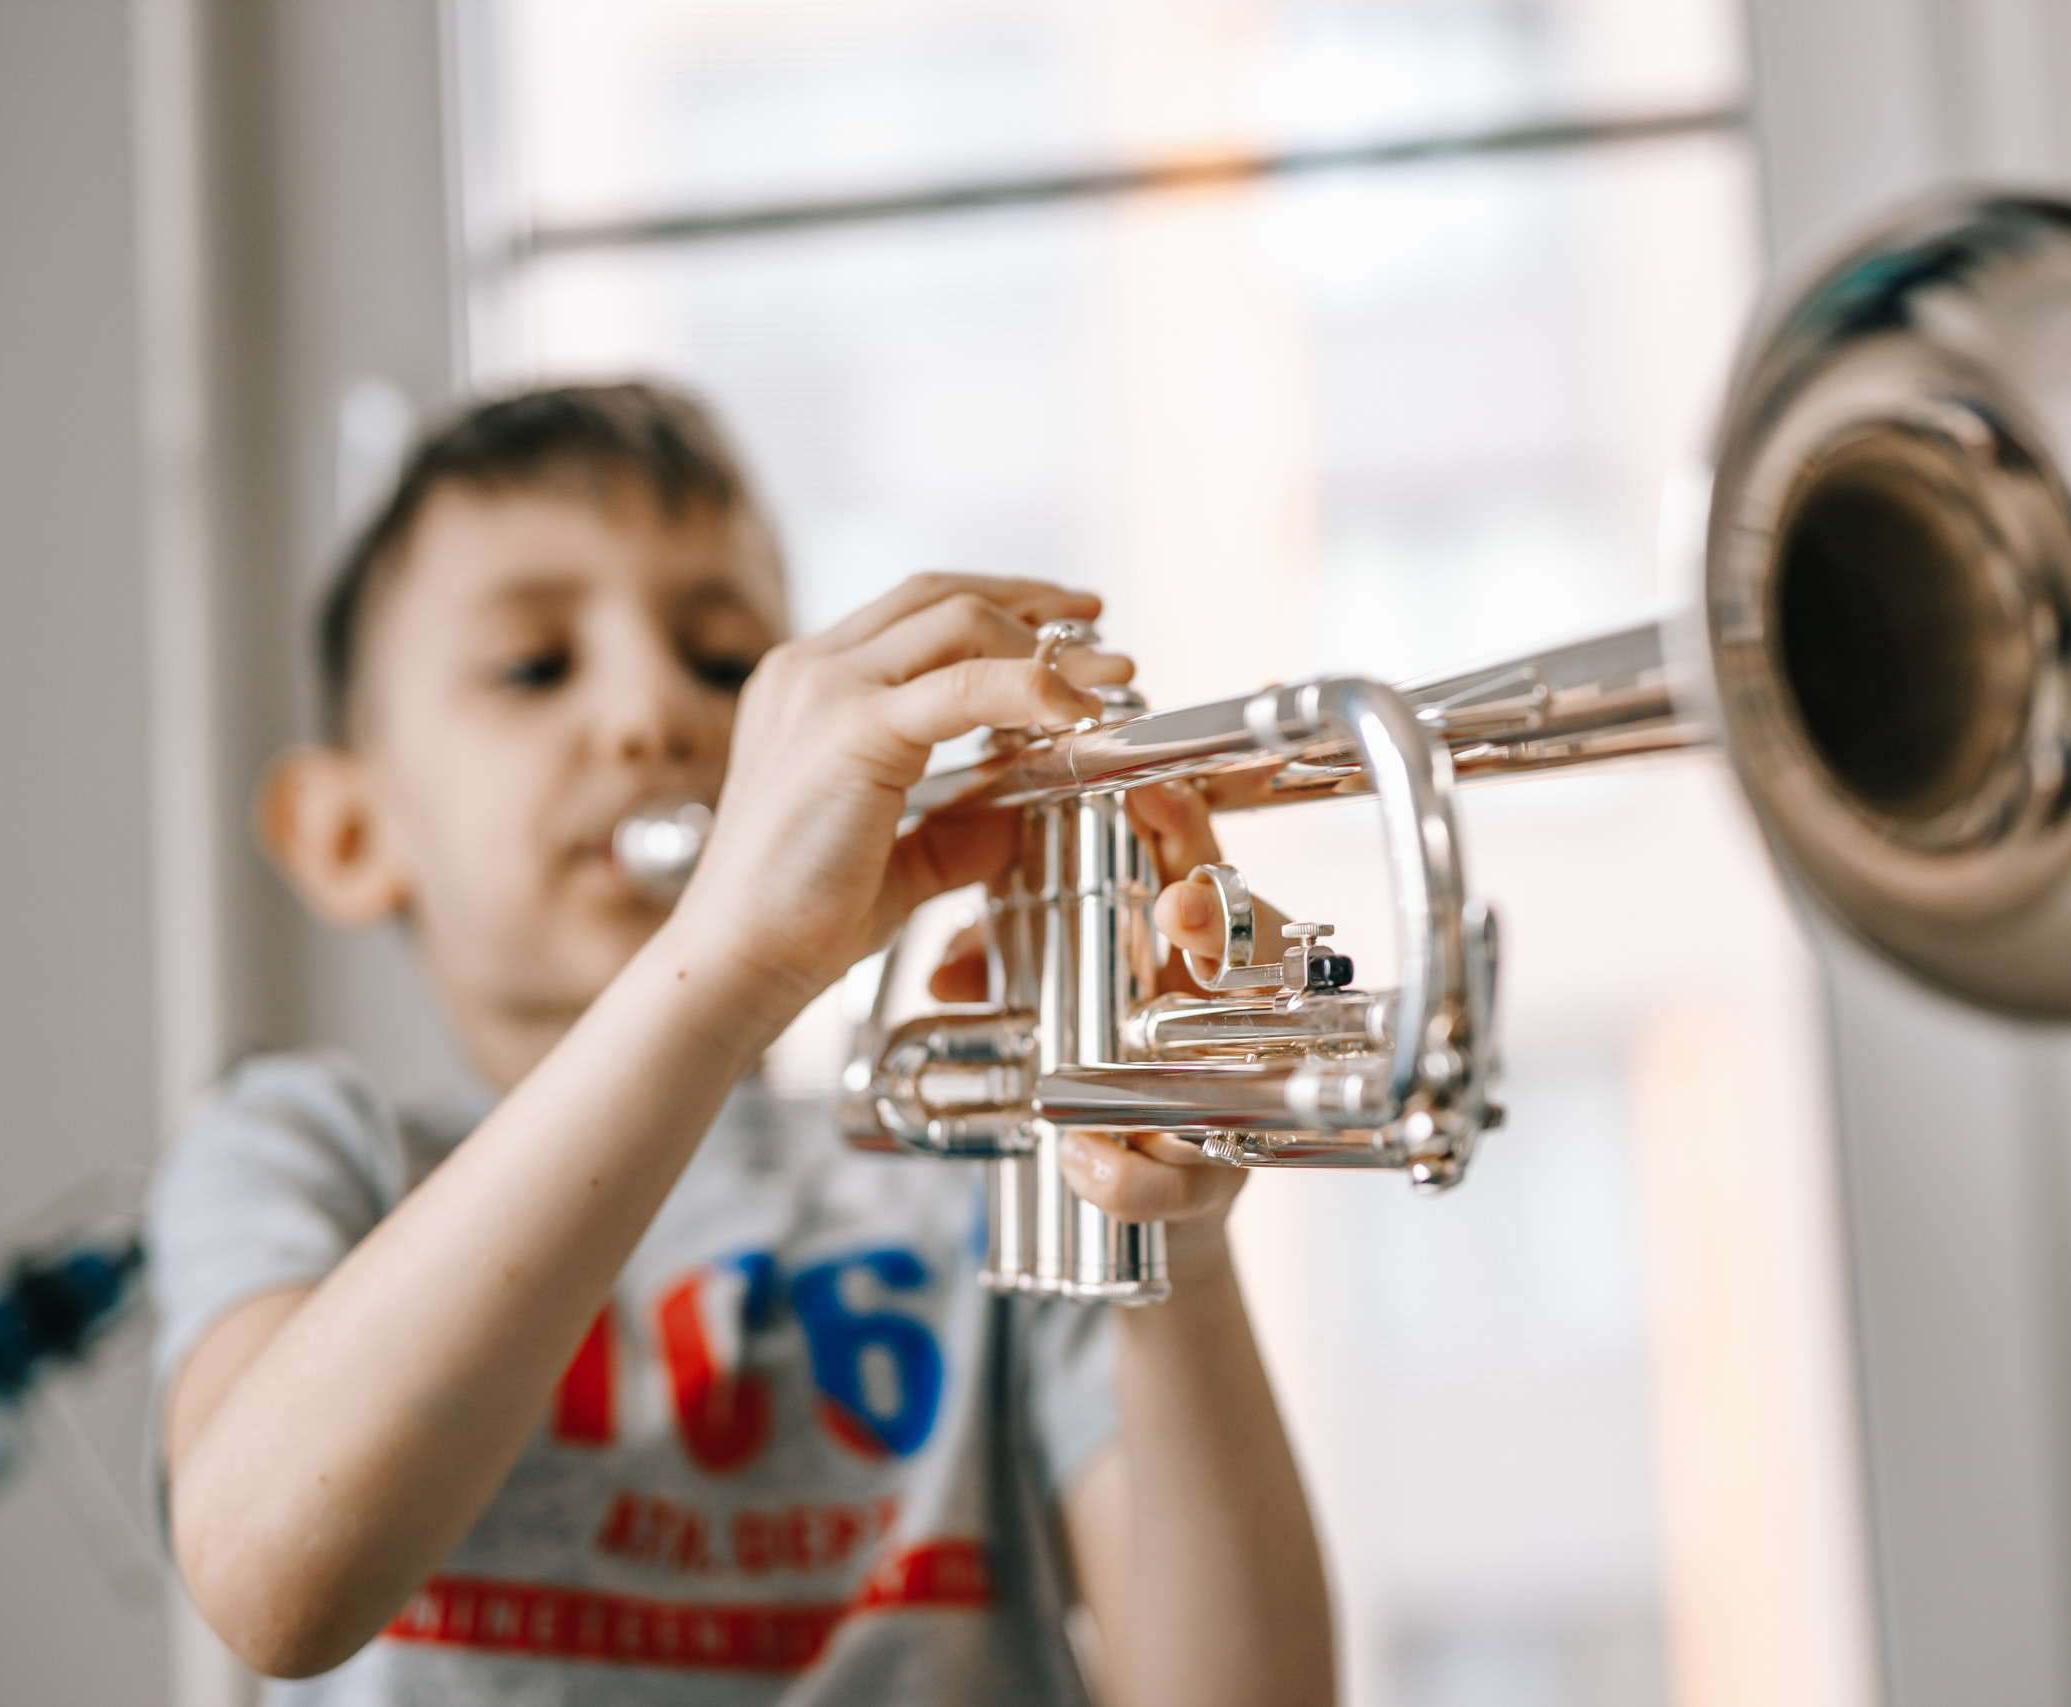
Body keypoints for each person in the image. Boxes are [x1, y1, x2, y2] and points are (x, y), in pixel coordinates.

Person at [147, 382, 1335, 1707]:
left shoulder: (971, 1160)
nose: (655, 714)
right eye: (535, 667)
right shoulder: (305, 1143)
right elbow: (271, 1584)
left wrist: (1167, 1224)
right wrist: (724, 967)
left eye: (725, 664)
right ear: (347, 834)